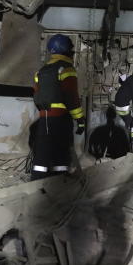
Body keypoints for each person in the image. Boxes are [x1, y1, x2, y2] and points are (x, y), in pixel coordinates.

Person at [31, 34, 85, 180]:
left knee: (41, 154)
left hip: (44, 118)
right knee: (61, 155)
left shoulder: (41, 71)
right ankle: (60, 184)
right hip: (61, 119)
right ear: (67, 50)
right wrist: (80, 120)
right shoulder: (67, 69)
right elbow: (71, 98)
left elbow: (37, 96)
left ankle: (35, 183)